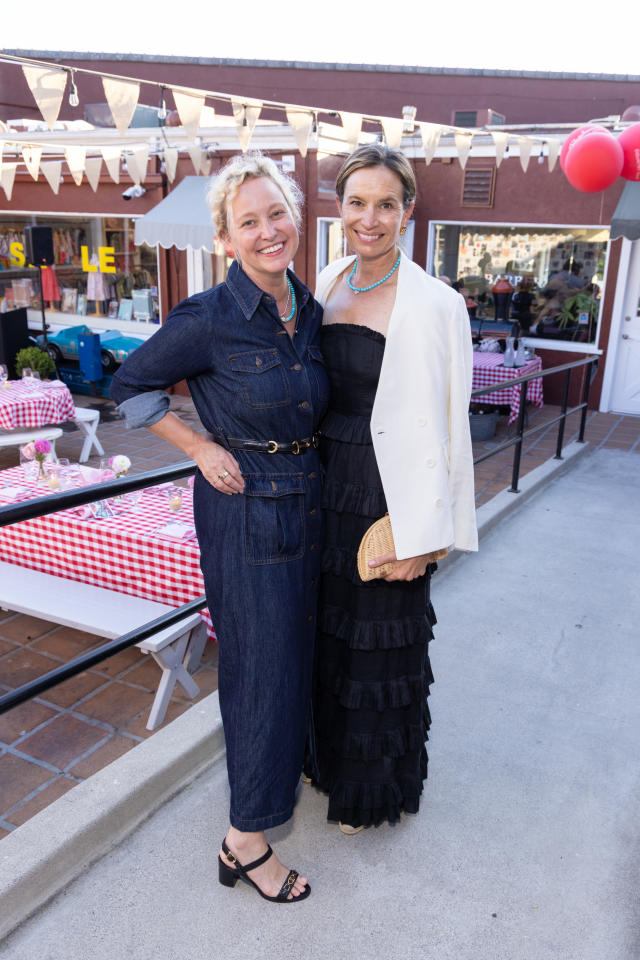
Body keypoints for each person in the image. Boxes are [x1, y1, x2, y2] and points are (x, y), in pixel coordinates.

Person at [110, 153, 328, 902]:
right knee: (260, 675)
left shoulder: (309, 308)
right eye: (249, 222)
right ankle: (246, 840)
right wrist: (199, 447)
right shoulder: (206, 318)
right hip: (245, 512)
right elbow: (127, 384)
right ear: (226, 239)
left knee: (296, 664)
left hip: (309, 503)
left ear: (296, 219)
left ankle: (271, 800)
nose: (268, 231)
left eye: (277, 214)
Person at [305, 144, 478, 833]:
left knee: (378, 645)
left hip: (389, 499)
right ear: (339, 208)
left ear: (407, 213)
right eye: (356, 202)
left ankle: (369, 793)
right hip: (324, 488)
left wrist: (427, 539)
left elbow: (451, 429)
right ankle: (325, 765)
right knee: (327, 639)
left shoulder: (439, 303)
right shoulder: (324, 279)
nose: (368, 218)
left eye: (385, 204)